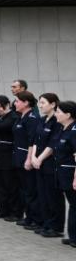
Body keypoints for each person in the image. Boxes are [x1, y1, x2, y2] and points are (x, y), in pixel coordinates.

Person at [30, 93, 65, 238]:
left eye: (43, 102)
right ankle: (47, 223)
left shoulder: (57, 122)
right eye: (39, 102)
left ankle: (56, 226)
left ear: (53, 104)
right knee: (43, 194)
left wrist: (40, 158)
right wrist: (33, 157)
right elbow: (36, 141)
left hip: (49, 163)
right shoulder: (42, 120)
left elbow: (53, 143)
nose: (40, 105)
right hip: (39, 162)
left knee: (53, 196)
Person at [0, 95, 23, 220]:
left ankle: (15, 212)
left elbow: (0, 127)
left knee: (11, 186)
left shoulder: (13, 117)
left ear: (6, 105)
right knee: (0, 186)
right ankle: (3, 210)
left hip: (8, 158)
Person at [13, 91, 42, 230]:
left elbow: (32, 140)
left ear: (26, 103)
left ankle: (36, 219)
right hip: (18, 156)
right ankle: (29, 216)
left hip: (26, 157)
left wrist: (29, 159)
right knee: (24, 189)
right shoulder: (20, 117)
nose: (15, 103)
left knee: (31, 190)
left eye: (17, 101)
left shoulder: (32, 118)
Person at [53, 101, 76, 248]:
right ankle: (72, 235)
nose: (56, 114)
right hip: (63, 172)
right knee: (73, 205)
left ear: (68, 115)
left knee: (75, 205)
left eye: (59, 111)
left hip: (71, 173)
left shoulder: (74, 131)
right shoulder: (64, 128)